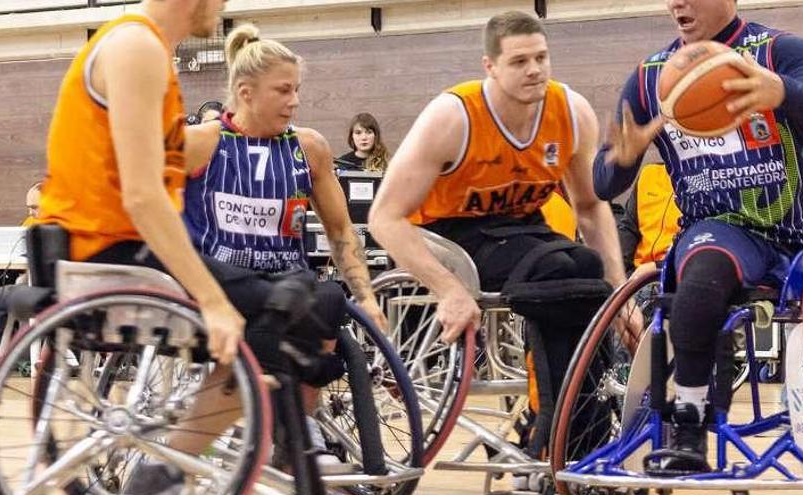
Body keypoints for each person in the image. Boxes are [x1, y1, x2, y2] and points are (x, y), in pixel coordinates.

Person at [35, 0, 324, 491]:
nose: (224, 7)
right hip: (109, 251)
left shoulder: (145, 49)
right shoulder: (137, 46)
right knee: (293, 315)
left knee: (298, 304)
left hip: (108, 248)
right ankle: (168, 467)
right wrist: (210, 299)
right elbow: (144, 196)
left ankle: (191, 455)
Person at [369, 11, 633, 483]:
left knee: (586, 268)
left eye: (541, 57)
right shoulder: (453, 116)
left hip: (522, 229)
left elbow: (591, 209)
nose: (534, 69)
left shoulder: (570, 111)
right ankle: (557, 438)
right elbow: (383, 218)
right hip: (446, 234)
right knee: (557, 270)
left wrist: (619, 291)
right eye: (519, 61)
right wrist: (446, 288)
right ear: (489, 66)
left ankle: (578, 435)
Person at [593, 0, 803, 475]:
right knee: (703, 273)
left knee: (709, 269)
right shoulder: (651, 78)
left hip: (798, 227)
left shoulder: (777, 50)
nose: (676, 3)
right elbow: (603, 184)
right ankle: (688, 423)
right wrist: (623, 158)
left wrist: (780, 91)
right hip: (719, 226)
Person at [183, 23, 387, 470]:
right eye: (283, 90)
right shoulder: (204, 143)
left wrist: (368, 298)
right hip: (223, 282)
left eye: (297, 89)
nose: (295, 100)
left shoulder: (308, 148)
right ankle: (205, 436)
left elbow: (339, 233)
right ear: (246, 92)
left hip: (287, 278)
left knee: (329, 298)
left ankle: (301, 427)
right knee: (273, 310)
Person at [616, 163, 681, 276]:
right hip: (635, 275)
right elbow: (628, 228)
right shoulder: (649, 173)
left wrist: (657, 266)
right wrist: (619, 271)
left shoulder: (712, 184)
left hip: (673, 275)